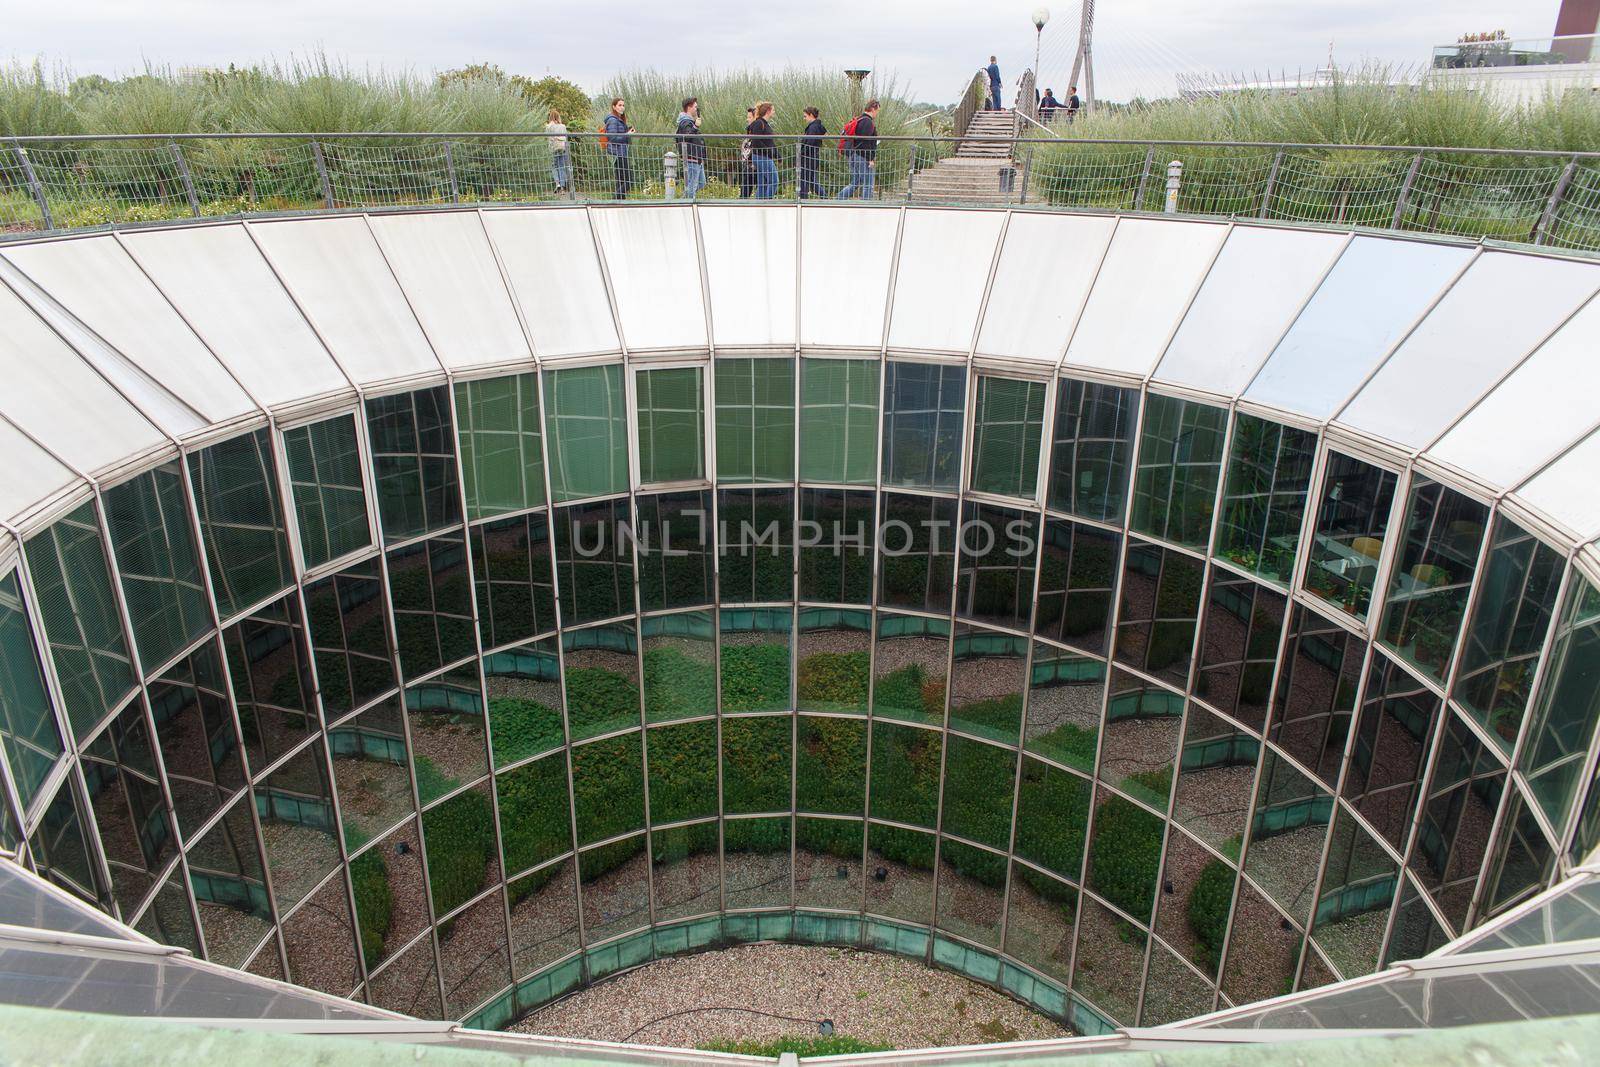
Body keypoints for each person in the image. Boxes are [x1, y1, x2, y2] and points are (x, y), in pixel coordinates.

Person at [839, 99, 878, 200]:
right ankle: (865, 206)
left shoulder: (859, 119)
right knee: (867, 184)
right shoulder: (867, 122)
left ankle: (839, 198)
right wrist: (870, 159)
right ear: (873, 109)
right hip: (862, 157)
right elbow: (865, 142)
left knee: (855, 183)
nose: (877, 114)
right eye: (877, 111)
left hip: (853, 155)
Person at [676, 97, 707, 199]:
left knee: (701, 183)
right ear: (689, 107)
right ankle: (688, 202)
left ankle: (684, 198)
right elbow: (687, 136)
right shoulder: (685, 122)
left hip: (696, 158)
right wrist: (695, 127)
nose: (696, 110)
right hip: (691, 157)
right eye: (695, 107)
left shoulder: (689, 121)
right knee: (692, 185)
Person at [603, 97, 633, 200]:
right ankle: (615, 199)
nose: (622, 107)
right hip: (617, 153)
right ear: (614, 107)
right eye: (619, 105)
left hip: (621, 152)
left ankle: (620, 202)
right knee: (629, 181)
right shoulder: (613, 120)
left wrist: (627, 133)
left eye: (623, 105)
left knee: (621, 181)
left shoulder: (619, 120)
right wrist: (627, 134)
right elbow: (613, 138)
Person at [748, 101, 778, 199]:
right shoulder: (759, 123)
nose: (774, 111)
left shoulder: (764, 123)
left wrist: (777, 155)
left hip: (762, 156)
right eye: (773, 110)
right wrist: (769, 151)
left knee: (763, 183)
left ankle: (759, 203)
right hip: (761, 157)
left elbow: (770, 142)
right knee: (774, 181)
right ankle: (767, 202)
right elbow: (756, 141)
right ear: (768, 111)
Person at [798, 106, 826, 199]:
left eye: (805, 116)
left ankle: (803, 199)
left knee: (805, 180)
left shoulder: (813, 127)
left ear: (811, 115)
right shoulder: (817, 126)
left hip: (809, 158)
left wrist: (801, 153)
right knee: (811, 180)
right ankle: (824, 197)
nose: (804, 118)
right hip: (813, 157)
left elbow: (810, 142)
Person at [545, 108, 570, 192]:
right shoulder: (563, 126)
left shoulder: (549, 126)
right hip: (562, 147)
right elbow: (566, 136)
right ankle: (563, 186)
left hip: (553, 148)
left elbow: (547, 137)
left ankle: (557, 183)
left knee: (554, 166)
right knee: (561, 166)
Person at [738, 106, 756, 198]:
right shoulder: (749, 129)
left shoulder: (756, 129)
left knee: (745, 191)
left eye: (749, 117)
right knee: (745, 191)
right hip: (748, 166)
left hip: (753, 166)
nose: (747, 119)